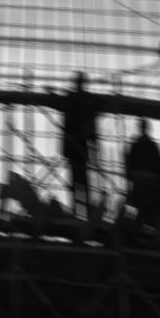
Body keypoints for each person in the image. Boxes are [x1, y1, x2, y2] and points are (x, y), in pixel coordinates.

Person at [123, 119, 160, 234]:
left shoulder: (135, 145)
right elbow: (159, 165)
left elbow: (130, 167)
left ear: (139, 128)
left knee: (143, 210)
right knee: (149, 209)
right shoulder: (152, 145)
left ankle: (138, 230)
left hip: (142, 185)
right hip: (151, 185)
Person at [56, 73, 99, 215]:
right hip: (81, 147)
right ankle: (83, 210)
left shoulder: (71, 99)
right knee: (82, 180)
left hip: (74, 147)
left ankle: (78, 210)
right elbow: (92, 126)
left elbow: (61, 109)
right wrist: (94, 148)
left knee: (76, 180)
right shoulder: (88, 100)